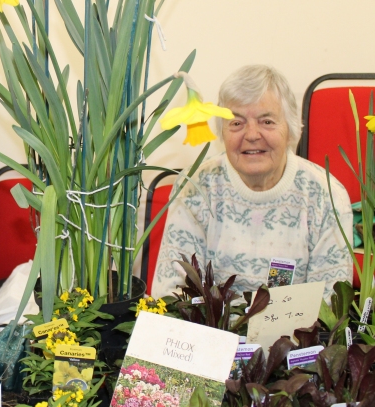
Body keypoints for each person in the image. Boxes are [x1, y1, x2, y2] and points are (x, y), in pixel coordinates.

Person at [151, 65, 353, 300]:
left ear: (290, 129)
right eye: (237, 123)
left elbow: (329, 301)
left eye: (267, 121)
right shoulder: (194, 188)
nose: (252, 134)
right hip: (210, 333)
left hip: (294, 334)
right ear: (223, 132)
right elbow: (172, 291)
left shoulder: (326, 195)